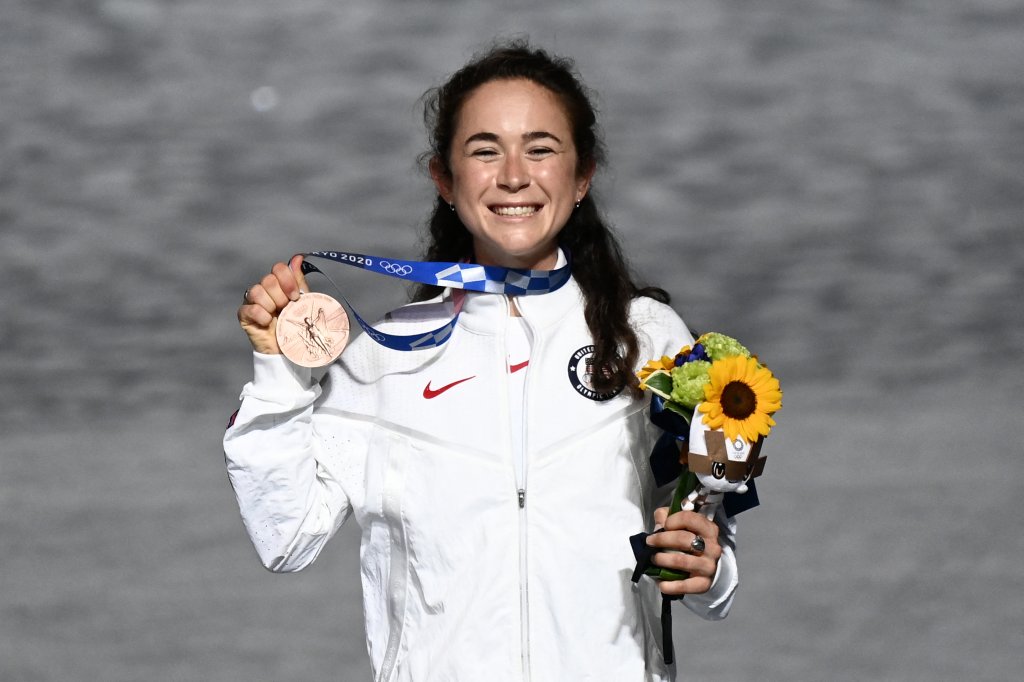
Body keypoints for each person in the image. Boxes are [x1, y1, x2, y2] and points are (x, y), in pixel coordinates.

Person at [226, 40, 738, 681]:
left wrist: (709, 568)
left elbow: (701, 532)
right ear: (444, 178)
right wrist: (280, 372)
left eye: (542, 148)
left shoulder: (647, 339)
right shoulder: (382, 361)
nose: (514, 175)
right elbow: (286, 538)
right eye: (485, 150)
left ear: (583, 177)